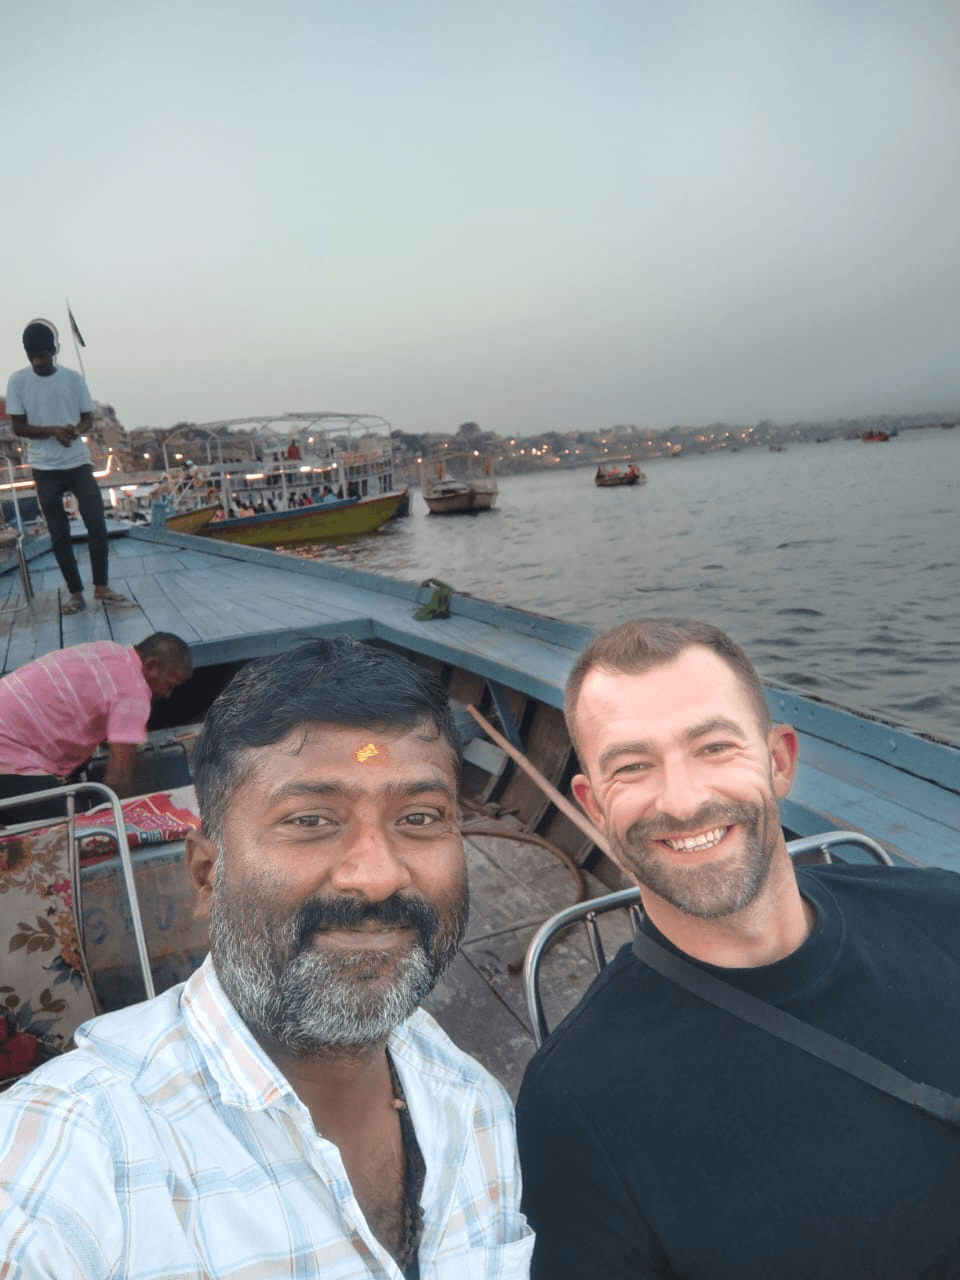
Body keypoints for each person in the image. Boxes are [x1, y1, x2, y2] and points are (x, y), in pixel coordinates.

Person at [0, 638, 534, 1278]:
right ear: (206, 875)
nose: (378, 877)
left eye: (420, 817)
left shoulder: (477, 1106)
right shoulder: (79, 1152)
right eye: (310, 820)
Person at [516, 618, 960, 1280]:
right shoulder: (580, 1105)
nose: (684, 798)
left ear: (778, 762)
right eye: (633, 766)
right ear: (594, 807)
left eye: (714, 747)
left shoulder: (942, 913)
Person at [5, 319, 130, 614]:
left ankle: (101, 587)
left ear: (55, 350)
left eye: (44, 356)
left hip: (76, 463)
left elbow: (88, 417)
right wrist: (52, 431)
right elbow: (18, 427)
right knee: (58, 533)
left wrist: (75, 430)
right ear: (27, 354)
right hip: (43, 467)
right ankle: (75, 593)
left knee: (96, 523)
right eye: (34, 357)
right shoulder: (18, 381)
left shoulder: (73, 379)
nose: (40, 362)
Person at [0, 633, 193, 822]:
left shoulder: (109, 650)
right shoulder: (134, 692)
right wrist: (125, 823)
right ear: (151, 666)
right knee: (75, 830)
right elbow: (118, 777)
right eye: (169, 685)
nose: (168, 694)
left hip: (11, 726)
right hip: (8, 753)